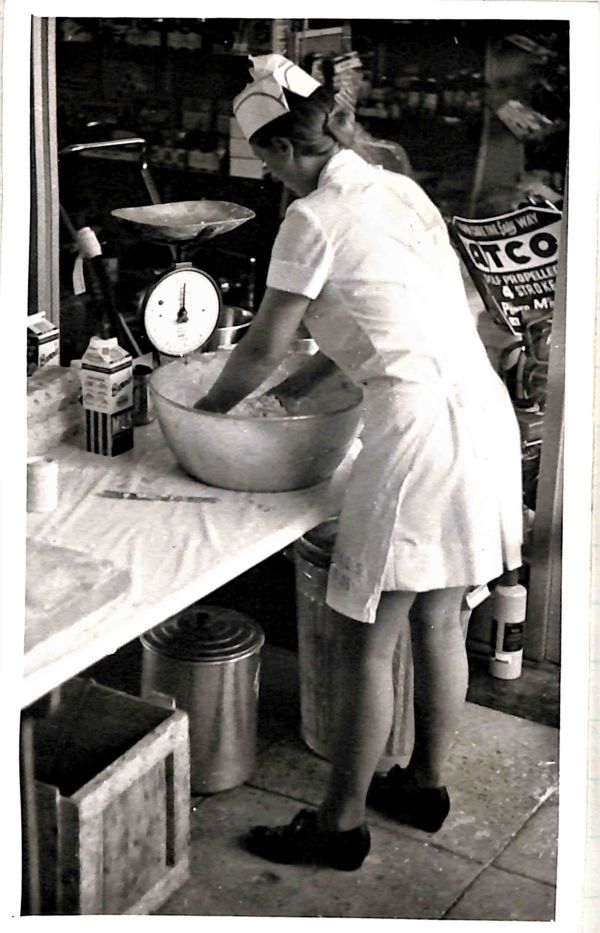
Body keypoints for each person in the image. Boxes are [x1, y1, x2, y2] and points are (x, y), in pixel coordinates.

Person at [194, 55, 523, 872]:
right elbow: (376, 327)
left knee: (362, 642)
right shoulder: (395, 188)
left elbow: (266, 342)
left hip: (414, 438)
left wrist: (203, 418)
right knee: (440, 617)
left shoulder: (310, 219)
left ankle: (337, 825)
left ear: (274, 154)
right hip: (480, 416)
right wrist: (296, 390)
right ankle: (422, 783)